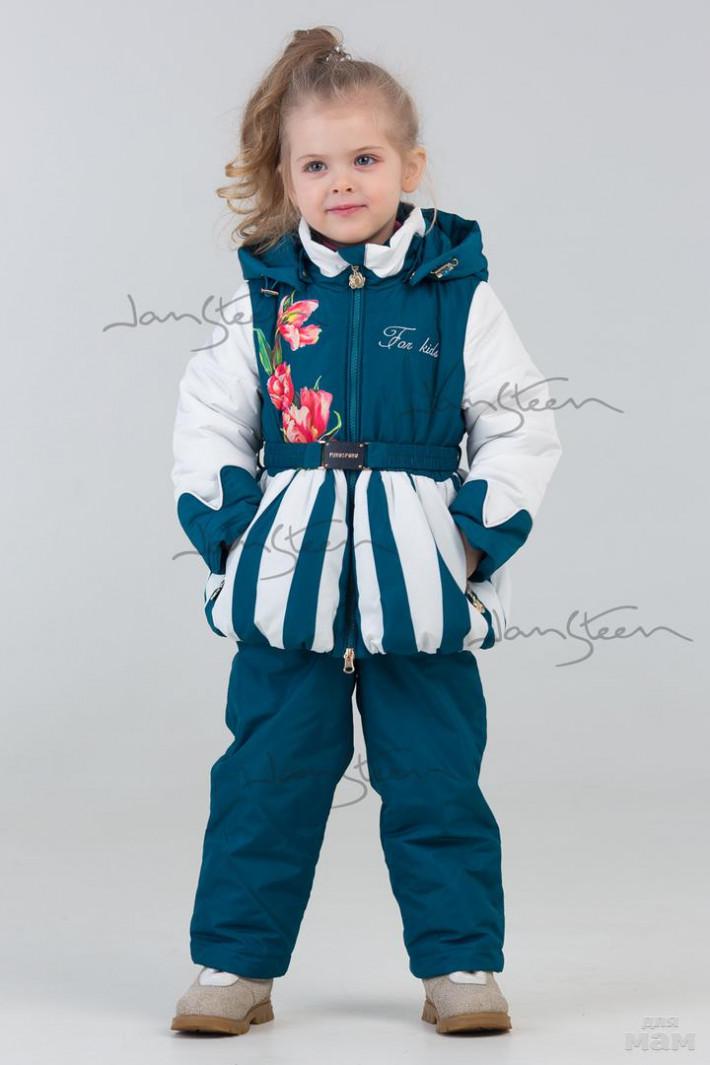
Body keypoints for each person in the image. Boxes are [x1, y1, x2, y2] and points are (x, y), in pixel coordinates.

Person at [169, 25, 562, 1038]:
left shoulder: (457, 294)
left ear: (409, 167)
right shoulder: (262, 298)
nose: (340, 181)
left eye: (363, 159)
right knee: (264, 779)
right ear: (286, 177)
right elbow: (209, 421)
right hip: (287, 581)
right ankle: (233, 965)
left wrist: (467, 542)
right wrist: (233, 537)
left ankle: (460, 964)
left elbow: (519, 422)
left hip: (419, 587)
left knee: (435, 777)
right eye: (315, 165)